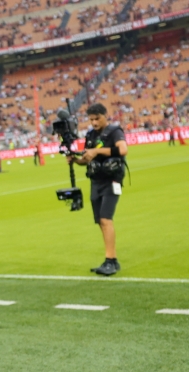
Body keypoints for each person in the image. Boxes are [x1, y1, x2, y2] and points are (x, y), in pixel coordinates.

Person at [66, 103, 128, 276]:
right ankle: (110, 258)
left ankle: (111, 261)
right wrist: (75, 160)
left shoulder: (115, 131)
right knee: (100, 221)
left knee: (106, 219)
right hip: (96, 181)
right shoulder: (91, 135)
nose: (94, 122)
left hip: (112, 180)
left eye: (97, 118)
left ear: (104, 116)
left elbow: (123, 150)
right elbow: (87, 158)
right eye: (91, 119)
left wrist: (97, 152)